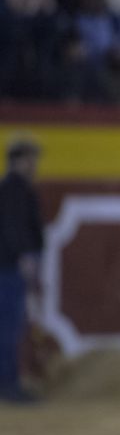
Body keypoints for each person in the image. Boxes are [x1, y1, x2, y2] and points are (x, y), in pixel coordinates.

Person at [0, 137, 44, 404]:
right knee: (8, 327)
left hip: (10, 266)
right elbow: (12, 228)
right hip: (9, 268)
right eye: (31, 159)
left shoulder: (13, 188)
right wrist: (24, 257)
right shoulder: (14, 189)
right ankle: (8, 384)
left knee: (10, 327)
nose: (34, 164)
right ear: (19, 160)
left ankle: (9, 382)